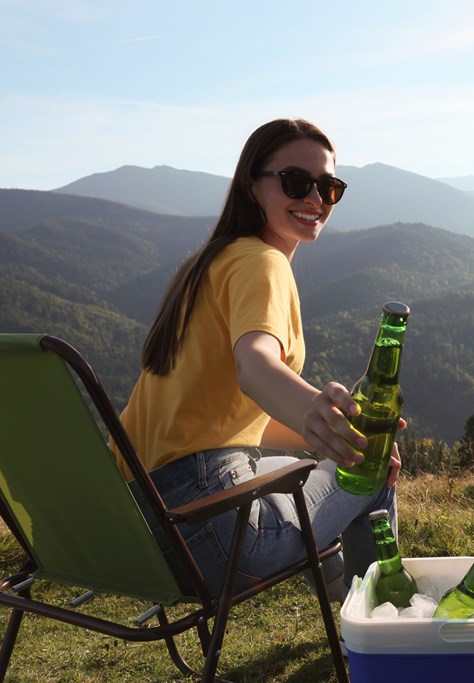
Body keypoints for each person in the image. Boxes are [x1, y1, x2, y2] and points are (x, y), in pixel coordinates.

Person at [115, 118, 400, 600]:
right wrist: (316, 411)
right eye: (296, 182)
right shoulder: (262, 262)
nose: (315, 198)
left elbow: (232, 418)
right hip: (208, 531)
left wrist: (331, 437)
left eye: (329, 187)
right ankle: (378, 624)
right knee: (371, 474)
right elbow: (256, 365)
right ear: (253, 185)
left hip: (134, 528)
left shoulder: (212, 261)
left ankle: (342, 597)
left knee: (345, 458)